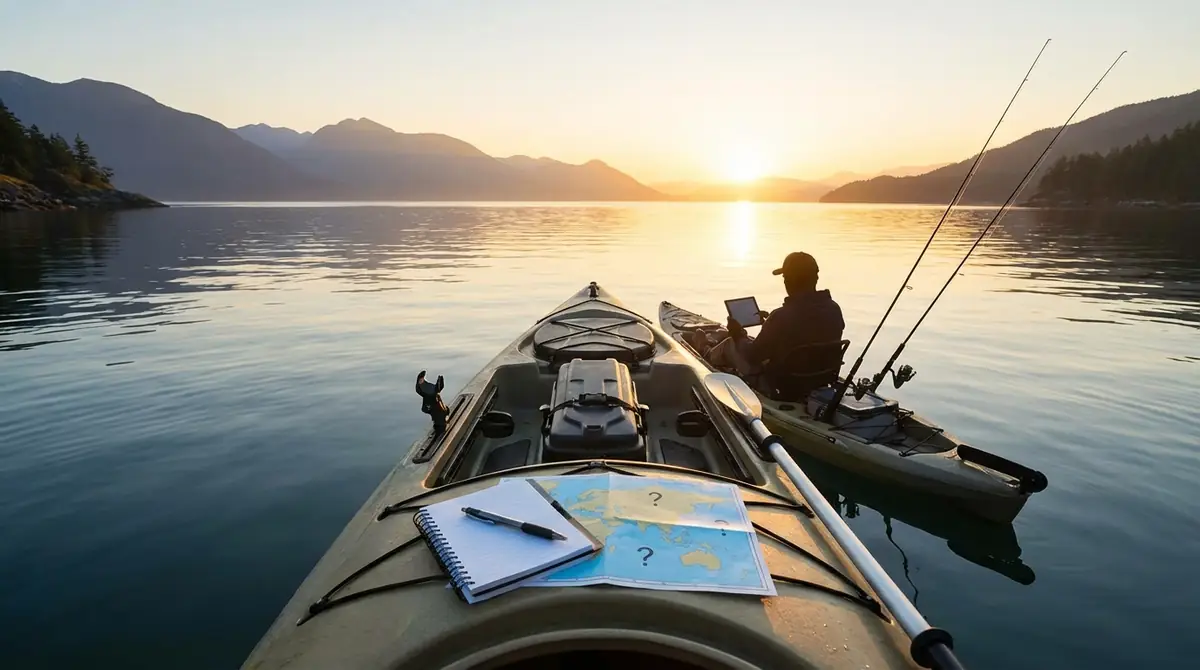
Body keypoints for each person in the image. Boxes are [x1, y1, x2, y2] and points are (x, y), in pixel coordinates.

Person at [689, 251, 845, 381]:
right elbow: (806, 330)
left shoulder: (782, 317)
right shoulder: (834, 309)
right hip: (818, 377)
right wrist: (770, 324)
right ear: (815, 278)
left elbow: (752, 356)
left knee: (731, 344)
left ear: (788, 281)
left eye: (785, 278)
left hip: (780, 384)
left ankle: (705, 352)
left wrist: (738, 334)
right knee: (742, 340)